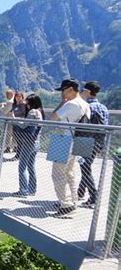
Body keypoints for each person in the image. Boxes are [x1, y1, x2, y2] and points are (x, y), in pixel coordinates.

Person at [50, 78, 91, 217]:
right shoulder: (86, 104)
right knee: (70, 173)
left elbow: (53, 117)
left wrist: (62, 103)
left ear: (71, 89)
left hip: (63, 138)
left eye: (63, 90)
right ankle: (73, 201)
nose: (62, 93)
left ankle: (65, 204)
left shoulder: (70, 104)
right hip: (81, 140)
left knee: (57, 172)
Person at [77, 81, 109, 209]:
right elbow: (105, 128)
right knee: (86, 167)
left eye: (83, 90)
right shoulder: (103, 108)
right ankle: (80, 192)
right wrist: (102, 146)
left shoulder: (85, 106)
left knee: (85, 169)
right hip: (97, 141)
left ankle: (93, 196)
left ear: (88, 92)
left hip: (83, 140)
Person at [13, 94, 45, 197]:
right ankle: (32, 189)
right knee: (31, 166)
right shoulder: (40, 112)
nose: (25, 104)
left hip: (28, 142)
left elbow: (23, 125)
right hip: (36, 142)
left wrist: (14, 119)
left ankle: (23, 190)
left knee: (22, 166)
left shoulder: (32, 112)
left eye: (27, 102)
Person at [11, 91, 27, 159]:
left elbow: (24, 113)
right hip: (14, 124)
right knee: (17, 139)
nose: (18, 98)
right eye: (16, 96)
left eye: (19, 96)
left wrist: (15, 117)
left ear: (22, 97)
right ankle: (19, 154)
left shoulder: (23, 104)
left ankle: (19, 155)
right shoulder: (14, 105)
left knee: (20, 139)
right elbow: (11, 112)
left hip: (20, 124)